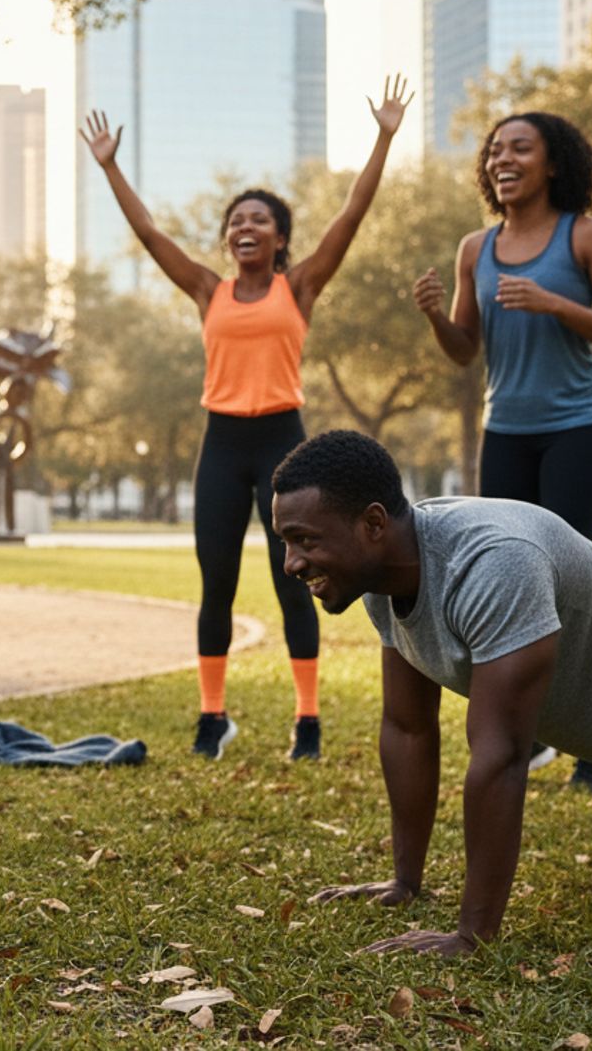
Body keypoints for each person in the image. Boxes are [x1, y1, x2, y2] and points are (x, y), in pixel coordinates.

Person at [270, 430, 592, 954]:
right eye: (286, 542)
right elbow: (408, 728)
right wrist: (405, 881)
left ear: (374, 524)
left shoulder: (494, 563)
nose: (291, 563)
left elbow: (501, 757)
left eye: (305, 540)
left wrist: (472, 935)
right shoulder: (383, 577)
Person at [80, 77, 412, 762]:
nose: (245, 228)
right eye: (236, 221)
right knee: (217, 583)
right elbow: (149, 233)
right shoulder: (209, 290)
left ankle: (308, 720)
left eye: (259, 219)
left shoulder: (301, 286)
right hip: (223, 444)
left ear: (280, 237)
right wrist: (111, 166)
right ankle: (213, 717)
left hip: (284, 444)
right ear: (228, 239)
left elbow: (352, 214)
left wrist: (383, 136)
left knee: (298, 579)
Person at [411, 111, 592, 795]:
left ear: (553, 164)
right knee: (513, 579)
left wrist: (555, 303)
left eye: (520, 148)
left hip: (578, 429)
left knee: (578, 588)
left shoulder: (587, 236)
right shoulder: (475, 248)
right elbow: (465, 349)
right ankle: (534, 733)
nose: (502, 159)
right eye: (494, 150)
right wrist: (435, 316)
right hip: (505, 432)